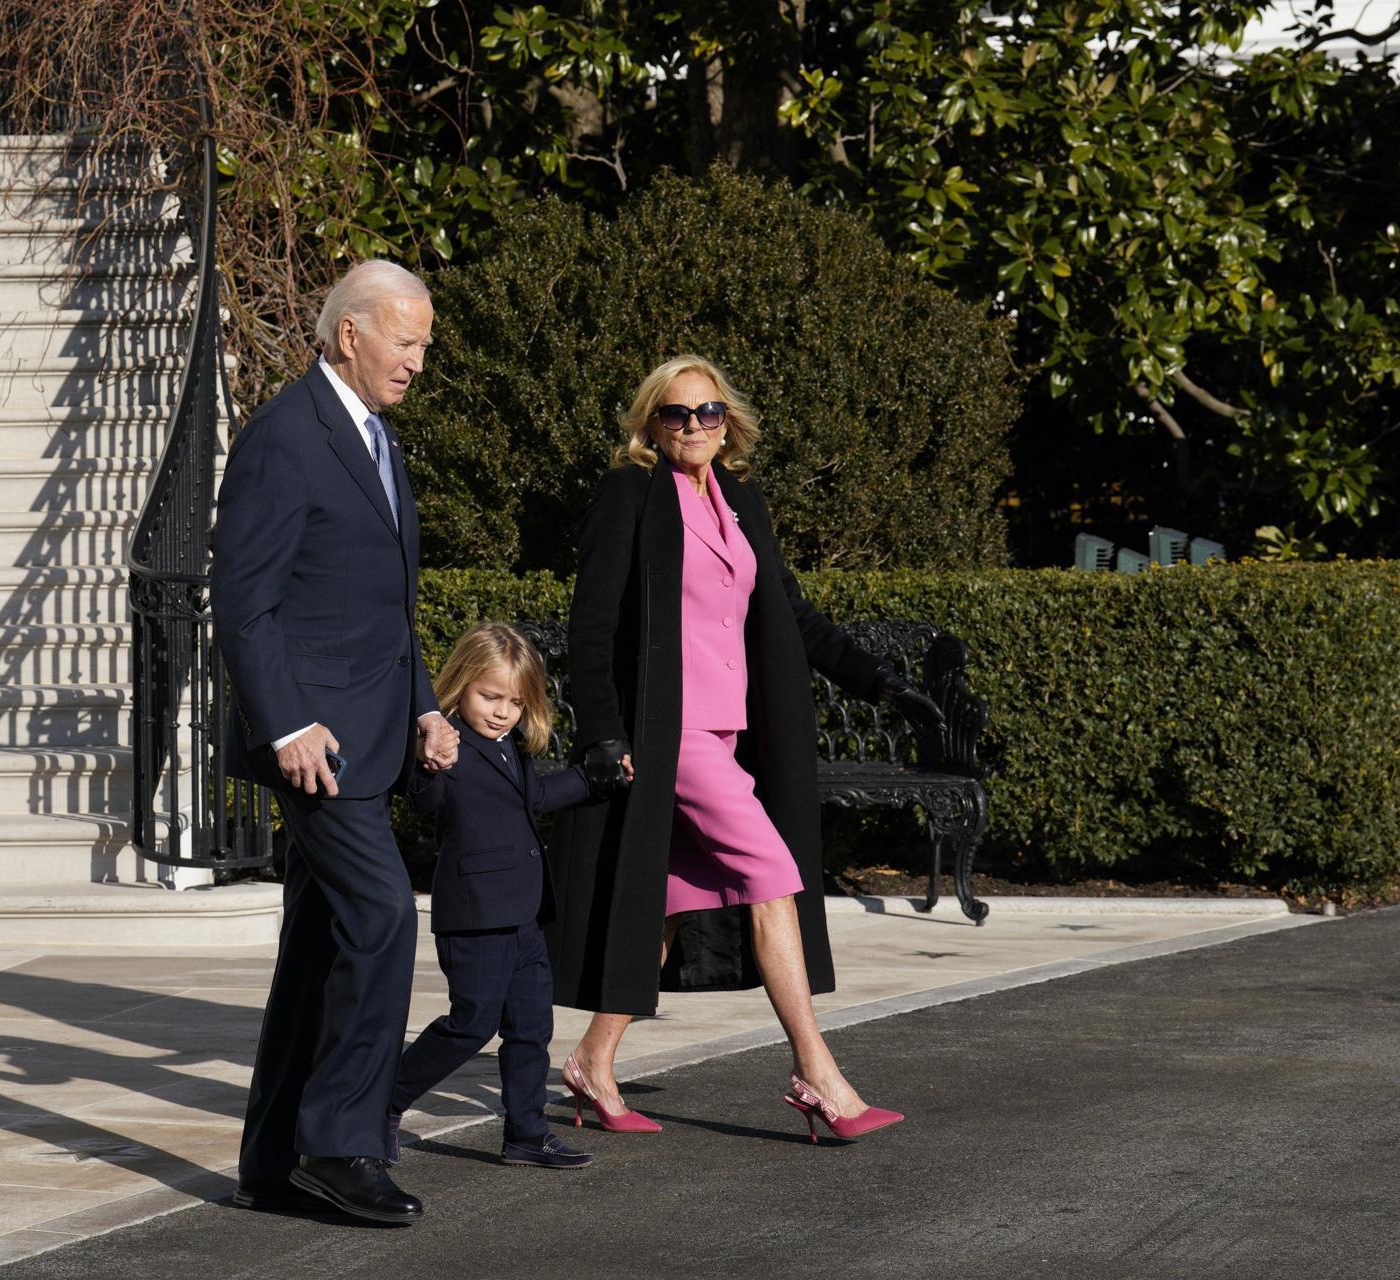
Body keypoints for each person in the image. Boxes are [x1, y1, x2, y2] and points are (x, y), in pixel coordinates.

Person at [547, 354, 946, 1143]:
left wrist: (884, 685)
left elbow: (793, 618)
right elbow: (590, 631)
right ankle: (817, 1074)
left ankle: (594, 1060)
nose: (694, 427)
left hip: (731, 737)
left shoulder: (740, 500)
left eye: (709, 413)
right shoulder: (630, 494)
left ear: (728, 421)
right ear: (650, 422)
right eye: (676, 414)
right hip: (673, 735)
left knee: (675, 900)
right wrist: (600, 731)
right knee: (773, 877)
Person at [212, 259, 461, 1224]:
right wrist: (283, 724)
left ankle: (272, 1158)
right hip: (314, 743)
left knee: (318, 943)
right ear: (350, 333)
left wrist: (425, 707)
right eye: (407, 342)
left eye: (425, 346)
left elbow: (382, 610)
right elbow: (244, 602)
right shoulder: (284, 436)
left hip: (371, 728)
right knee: (386, 918)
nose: (418, 363)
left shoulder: (375, 437)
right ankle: (343, 1143)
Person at [385, 623, 625, 1170]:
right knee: (471, 1024)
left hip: (525, 913)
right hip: (475, 916)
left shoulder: (508, 746)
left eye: (515, 702)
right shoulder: (444, 741)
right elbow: (423, 802)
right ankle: (383, 1101)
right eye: (489, 696)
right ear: (461, 684)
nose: (501, 711)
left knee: (531, 1028)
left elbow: (534, 796)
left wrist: (594, 780)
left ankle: (527, 1134)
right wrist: (427, 758)